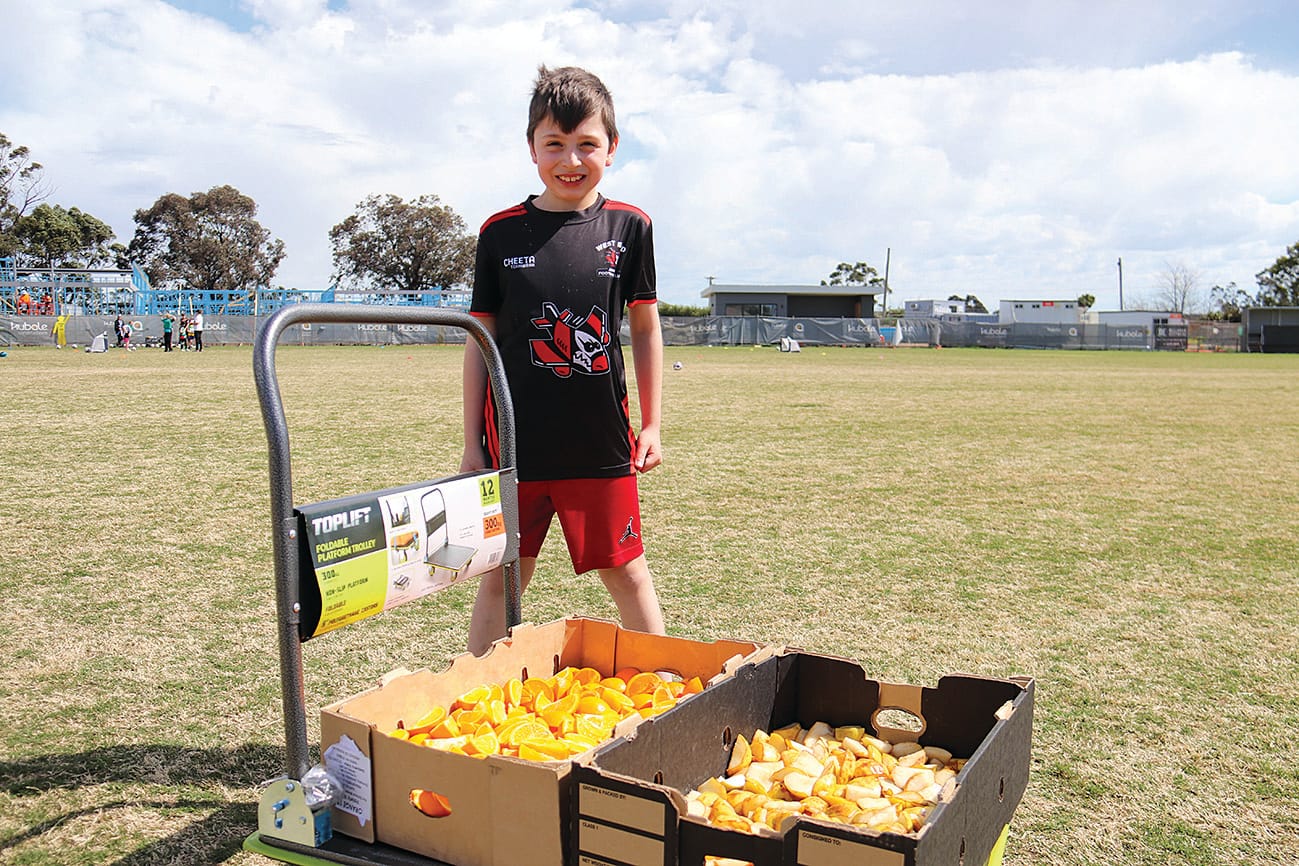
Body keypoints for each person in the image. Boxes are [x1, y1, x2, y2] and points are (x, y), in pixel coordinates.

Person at [461, 65, 666, 656]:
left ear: (612, 148)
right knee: (501, 583)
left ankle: (676, 697)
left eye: (587, 144)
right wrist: (474, 443)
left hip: (601, 445)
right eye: (554, 144)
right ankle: (471, 705)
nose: (570, 160)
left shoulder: (631, 226)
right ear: (532, 148)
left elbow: (646, 329)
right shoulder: (500, 233)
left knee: (628, 575)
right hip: (515, 449)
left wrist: (651, 424)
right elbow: (479, 342)